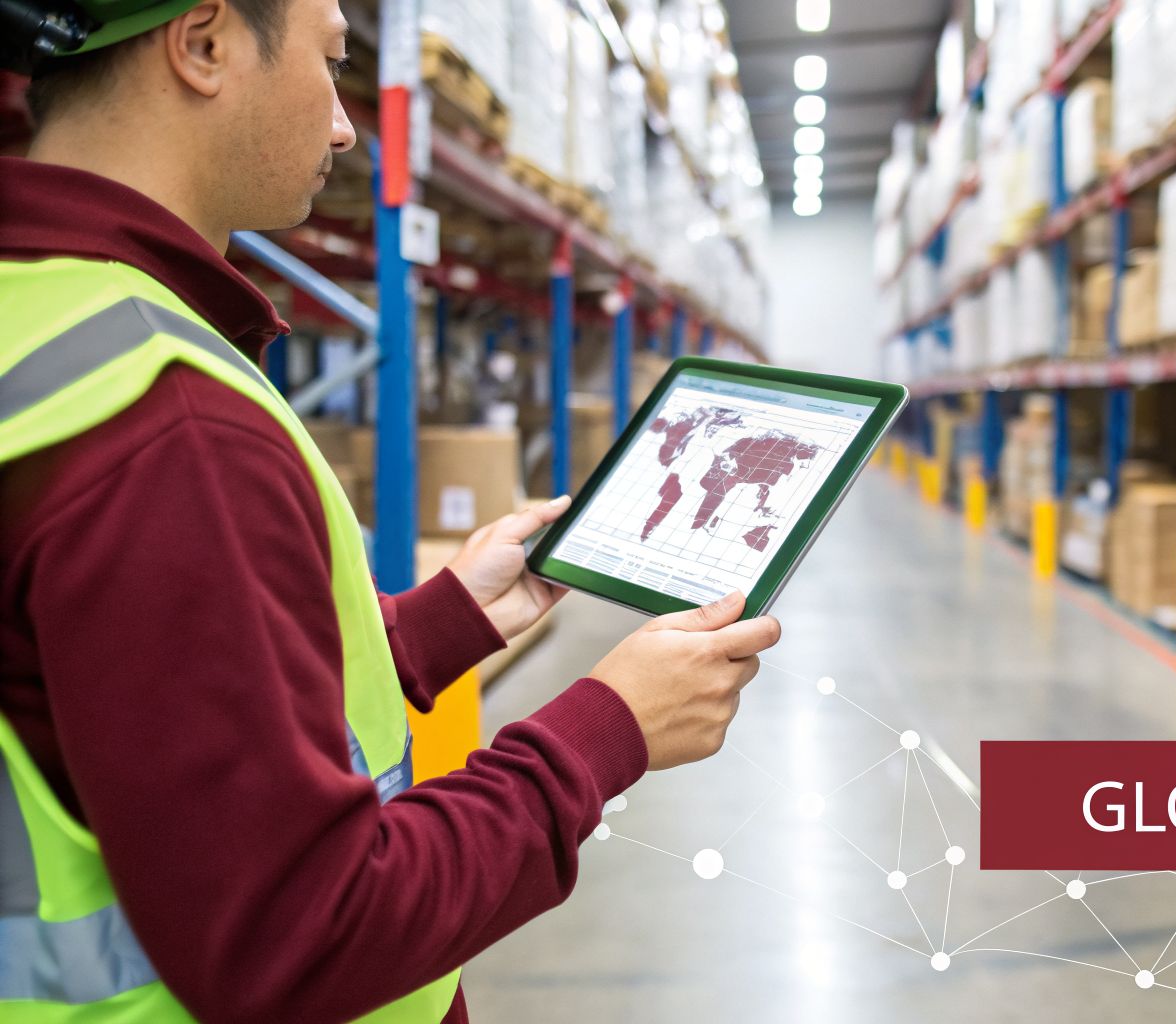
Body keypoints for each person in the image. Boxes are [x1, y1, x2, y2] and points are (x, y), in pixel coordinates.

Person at [0, 0, 781, 1020]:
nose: (343, 125)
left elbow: (127, 682)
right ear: (203, 45)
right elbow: (301, 938)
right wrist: (607, 728)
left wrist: (439, 623)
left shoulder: (44, 314)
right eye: (331, 62)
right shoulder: (170, 418)